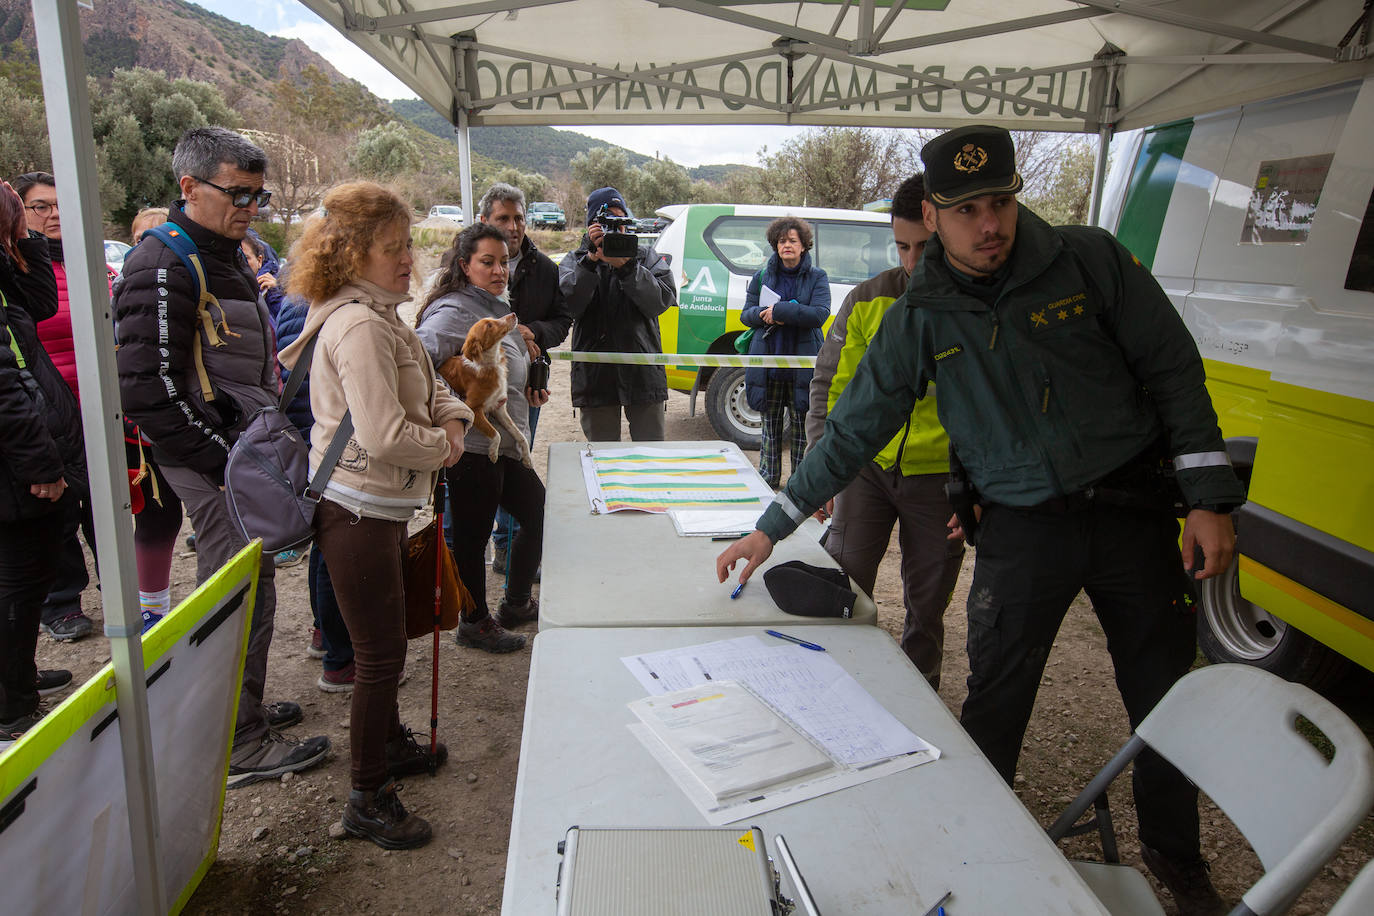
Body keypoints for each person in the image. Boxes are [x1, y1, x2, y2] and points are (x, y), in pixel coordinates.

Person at [718, 126, 1246, 916]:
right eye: (967, 210)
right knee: (994, 702)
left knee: (1164, 701)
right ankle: (975, 860)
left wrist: (1207, 499)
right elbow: (853, 430)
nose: (989, 224)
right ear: (934, 215)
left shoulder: (1090, 260)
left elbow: (1172, 368)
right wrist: (772, 526)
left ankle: (1175, 855)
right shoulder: (919, 313)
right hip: (1022, 528)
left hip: (1132, 513)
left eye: (1000, 202)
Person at [113, 127, 329, 786]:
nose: (250, 208)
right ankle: (235, 741)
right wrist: (225, 466)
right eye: (238, 193)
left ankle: (239, 709)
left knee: (249, 588)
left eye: (258, 196)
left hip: (236, 452)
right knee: (236, 596)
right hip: (214, 462)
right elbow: (146, 389)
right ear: (189, 186)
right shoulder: (161, 264)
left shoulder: (224, 253)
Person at [279, 180, 472, 850]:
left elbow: (431, 383)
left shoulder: (382, 315)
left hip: (377, 506)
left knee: (383, 648)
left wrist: (452, 414)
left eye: (408, 244)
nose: (408, 259)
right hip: (356, 509)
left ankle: (388, 747)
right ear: (352, 252)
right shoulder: (360, 324)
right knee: (379, 654)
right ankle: (366, 795)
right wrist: (445, 445)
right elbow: (386, 433)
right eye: (393, 248)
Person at [804, 175, 964, 689]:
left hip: (939, 481)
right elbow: (830, 386)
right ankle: (837, 684)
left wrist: (975, 486)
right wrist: (821, 466)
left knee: (928, 603)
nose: (913, 261)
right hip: (865, 470)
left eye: (926, 248)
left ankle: (920, 699)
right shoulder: (867, 298)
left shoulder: (976, 306)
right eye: (902, 246)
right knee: (843, 583)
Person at [417, 223, 545, 654]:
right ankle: (473, 623)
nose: (498, 271)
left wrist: (527, 383)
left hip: (501, 445)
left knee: (540, 514)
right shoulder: (454, 311)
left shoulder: (492, 304)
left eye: (504, 262)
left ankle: (515, 603)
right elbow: (416, 363)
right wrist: (452, 410)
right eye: (487, 262)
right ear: (464, 265)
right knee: (472, 540)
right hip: (472, 450)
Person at [0, 180, 79, 744]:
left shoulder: (5, 270)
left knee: (23, 581)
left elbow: (40, 303)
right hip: (16, 468)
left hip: (22, 457)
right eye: (25, 215)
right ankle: (13, 707)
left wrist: (23, 241)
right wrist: (41, 467)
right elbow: (5, 392)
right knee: (18, 583)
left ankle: (18, 678)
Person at [12, 171, 103, 642]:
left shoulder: (89, 262)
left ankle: (120, 584)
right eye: (41, 206)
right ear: (19, 214)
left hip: (97, 407)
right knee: (60, 510)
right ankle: (62, 602)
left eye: (60, 204)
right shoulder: (18, 270)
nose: (54, 215)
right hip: (46, 411)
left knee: (105, 505)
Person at [477, 182, 569, 577]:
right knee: (476, 465)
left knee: (517, 459)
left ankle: (509, 550)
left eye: (518, 218)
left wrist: (535, 332)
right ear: (485, 220)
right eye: (503, 218)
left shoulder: (545, 268)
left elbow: (562, 320)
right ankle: (463, 553)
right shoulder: (464, 262)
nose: (513, 227)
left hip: (524, 387)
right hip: (473, 390)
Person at [559, 186, 676, 441]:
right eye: (606, 221)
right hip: (595, 376)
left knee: (650, 453)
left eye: (619, 220)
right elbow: (568, 307)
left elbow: (661, 301)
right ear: (591, 225)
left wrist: (628, 268)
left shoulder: (644, 257)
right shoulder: (576, 260)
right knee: (602, 456)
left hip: (643, 373)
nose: (614, 228)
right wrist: (590, 262)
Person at [119, 207, 184, 631]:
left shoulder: (181, 284)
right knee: (156, 515)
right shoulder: (119, 289)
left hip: (184, 420)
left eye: (158, 237)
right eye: (141, 238)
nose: (149, 246)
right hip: (139, 430)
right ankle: (151, 610)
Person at [741, 216, 830, 488]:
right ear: (775, 245)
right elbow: (746, 315)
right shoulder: (761, 277)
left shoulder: (817, 277)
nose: (787, 245)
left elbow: (820, 314)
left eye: (792, 240)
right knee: (769, 424)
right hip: (768, 361)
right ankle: (768, 478)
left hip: (802, 365)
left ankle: (799, 484)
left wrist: (781, 311)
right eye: (782, 241)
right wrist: (764, 314)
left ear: (804, 245)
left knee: (803, 425)